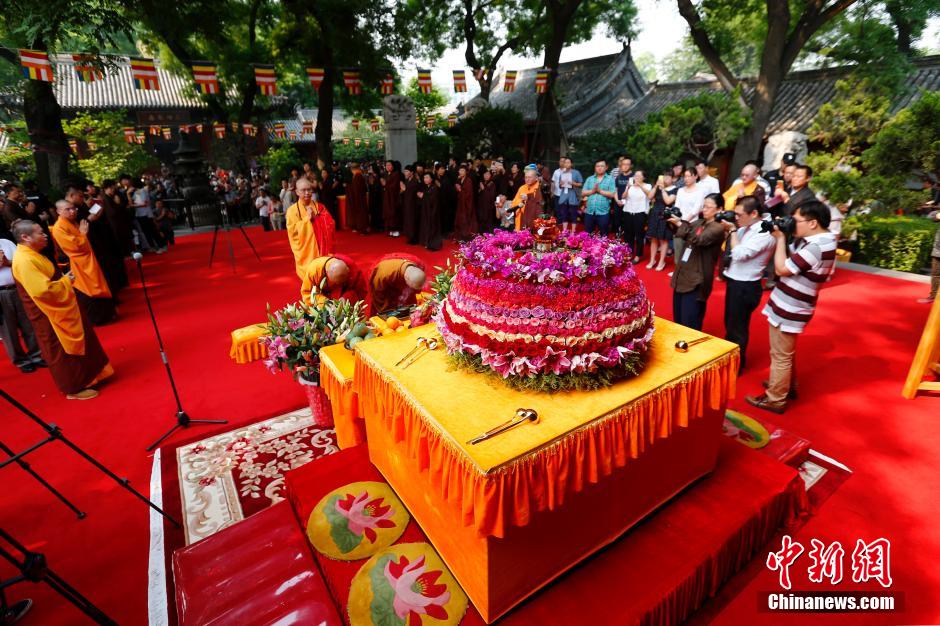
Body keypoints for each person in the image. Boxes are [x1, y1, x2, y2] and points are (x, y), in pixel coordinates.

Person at [745, 201, 837, 414]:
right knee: (785, 352)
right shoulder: (825, 240)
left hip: (791, 306)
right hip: (796, 303)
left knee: (780, 355)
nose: (793, 224)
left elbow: (781, 268)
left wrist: (779, 239)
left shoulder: (816, 247)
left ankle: (776, 399)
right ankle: (785, 386)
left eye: (796, 220)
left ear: (813, 222)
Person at [11, 220, 113, 399]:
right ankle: (74, 388)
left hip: (58, 306)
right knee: (60, 349)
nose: (45, 236)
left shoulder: (31, 253)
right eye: (39, 233)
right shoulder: (24, 260)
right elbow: (42, 290)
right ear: (25, 237)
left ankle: (92, 376)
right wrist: (66, 281)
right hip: (48, 313)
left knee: (79, 342)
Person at [721, 195, 775, 371]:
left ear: (753, 213)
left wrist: (733, 231)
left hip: (746, 286)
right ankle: (728, 362)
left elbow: (739, 254)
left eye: (739, 215)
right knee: (730, 324)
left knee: (738, 329)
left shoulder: (765, 232)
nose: (736, 218)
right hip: (735, 281)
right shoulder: (747, 225)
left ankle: (735, 368)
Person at [50, 200, 116, 325]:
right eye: (68, 209)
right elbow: (74, 247)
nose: (72, 211)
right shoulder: (59, 228)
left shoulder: (72, 222)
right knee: (87, 290)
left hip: (88, 260)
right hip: (79, 263)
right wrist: (83, 234)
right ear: (58, 211)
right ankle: (98, 318)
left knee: (98, 285)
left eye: (73, 208)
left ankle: (107, 314)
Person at [667, 193, 725, 330]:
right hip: (682, 276)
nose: (704, 209)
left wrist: (680, 224)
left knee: (690, 324)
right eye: (704, 206)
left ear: (719, 209)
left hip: (697, 280)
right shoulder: (699, 223)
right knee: (678, 320)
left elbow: (699, 239)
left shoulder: (718, 228)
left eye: (708, 207)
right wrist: (673, 221)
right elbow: (682, 232)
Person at [67, 185, 127, 294]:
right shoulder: (68, 216)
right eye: (68, 210)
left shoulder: (80, 206)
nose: (72, 212)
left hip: (96, 238)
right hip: (85, 245)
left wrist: (95, 208)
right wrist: (90, 216)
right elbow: (86, 221)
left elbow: (93, 217)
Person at [0, 236, 44, 373]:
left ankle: (36, 355)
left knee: (28, 323)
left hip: (17, 287)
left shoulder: (5, 242)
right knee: (8, 330)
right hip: (0, 293)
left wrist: (7, 262)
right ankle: (21, 360)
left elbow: (20, 262)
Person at [286, 177, 336, 280]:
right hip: (306, 253)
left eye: (309, 189)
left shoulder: (320, 207)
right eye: (303, 190)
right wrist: (307, 220)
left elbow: (331, 224)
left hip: (322, 250)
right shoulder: (292, 211)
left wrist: (317, 219)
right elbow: (292, 232)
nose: (307, 193)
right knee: (310, 281)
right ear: (297, 192)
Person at [670, 168, 706, 267]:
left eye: (689, 176)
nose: (686, 178)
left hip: (693, 224)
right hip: (679, 222)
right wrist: (677, 219)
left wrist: (684, 222)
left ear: (695, 176)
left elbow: (697, 208)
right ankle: (677, 269)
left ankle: (686, 270)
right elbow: (677, 206)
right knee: (678, 246)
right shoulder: (681, 190)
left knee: (689, 248)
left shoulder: (700, 191)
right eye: (685, 176)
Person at [299, 254, 368, 305]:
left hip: (343, 304)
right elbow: (307, 292)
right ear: (327, 272)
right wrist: (325, 302)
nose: (338, 285)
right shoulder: (314, 270)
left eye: (341, 283)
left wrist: (346, 298)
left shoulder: (351, 267)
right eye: (336, 283)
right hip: (322, 304)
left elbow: (360, 291)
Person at [618, 170, 654, 263]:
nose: (636, 177)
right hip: (628, 212)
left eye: (638, 176)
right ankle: (629, 253)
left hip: (640, 213)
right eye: (635, 175)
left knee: (639, 235)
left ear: (643, 177)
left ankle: (638, 255)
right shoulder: (630, 185)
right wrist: (628, 188)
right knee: (628, 235)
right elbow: (623, 197)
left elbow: (650, 196)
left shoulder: (647, 186)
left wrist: (640, 185)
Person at [647, 171, 677, 271]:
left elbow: (668, 201)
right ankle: (652, 260)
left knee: (664, 239)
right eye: (664, 177)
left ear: (673, 179)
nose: (665, 179)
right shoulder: (658, 187)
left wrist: (663, 189)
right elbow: (649, 197)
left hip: (665, 215)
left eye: (668, 177)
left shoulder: (675, 189)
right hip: (655, 214)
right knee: (654, 238)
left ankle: (661, 261)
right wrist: (656, 186)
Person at [580, 160, 617, 236]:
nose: (599, 168)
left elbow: (612, 194)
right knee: (588, 236)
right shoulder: (590, 179)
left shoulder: (610, 179)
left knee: (603, 236)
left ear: (606, 167)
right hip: (589, 212)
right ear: (595, 167)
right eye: (597, 166)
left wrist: (600, 191)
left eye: (602, 166)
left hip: (603, 212)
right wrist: (593, 191)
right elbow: (583, 193)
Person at [101, 179, 134, 257]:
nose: (113, 190)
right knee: (121, 240)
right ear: (106, 188)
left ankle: (128, 253)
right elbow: (113, 213)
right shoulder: (105, 198)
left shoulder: (112, 196)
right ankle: (126, 254)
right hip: (115, 224)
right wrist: (118, 204)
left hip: (120, 222)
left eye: (114, 188)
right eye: (111, 188)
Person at [506, 164, 543, 232]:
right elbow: (515, 201)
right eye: (526, 177)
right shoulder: (522, 188)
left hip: (532, 219)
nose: (527, 179)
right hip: (520, 217)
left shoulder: (539, 188)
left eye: (530, 177)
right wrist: (511, 209)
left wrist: (528, 199)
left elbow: (539, 204)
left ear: (536, 178)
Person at [554, 157, 583, 234]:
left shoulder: (576, 173)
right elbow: (560, 186)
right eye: (565, 162)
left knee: (573, 214)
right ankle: (564, 231)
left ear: (571, 164)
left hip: (573, 195)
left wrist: (574, 183)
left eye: (568, 162)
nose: (566, 164)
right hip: (564, 195)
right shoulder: (562, 173)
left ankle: (573, 231)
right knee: (564, 214)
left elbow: (580, 184)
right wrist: (560, 184)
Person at [918, 208, 940, 304]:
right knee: (935, 274)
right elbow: (931, 216)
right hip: (938, 250)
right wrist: (937, 215)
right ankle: (933, 296)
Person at [418, 172, 443, 251]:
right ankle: (427, 242)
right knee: (427, 226)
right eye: (424, 178)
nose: (425, 179)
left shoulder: (434, 188)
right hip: (427, 211)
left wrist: (423, 196)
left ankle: (433, 244)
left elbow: (433, 201)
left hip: (433, 211)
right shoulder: (427, 188)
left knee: (432, 227)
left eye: (427, 177)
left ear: (431, 179)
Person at [613, 157, 636, 238]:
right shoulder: (618, 177)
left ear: (631, 166)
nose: (625, 166)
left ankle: (628, 241)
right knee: (617, 223)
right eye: (623, 164)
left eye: (627, 164)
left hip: (630, 204)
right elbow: (615, 190)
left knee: (628, 224)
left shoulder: (634, 177)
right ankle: (617, 240)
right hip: (618, 203)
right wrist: (617, 200)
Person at [454, 164, 478, 241]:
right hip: (461, 204)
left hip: (467, 204)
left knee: (466, 220)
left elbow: (468, 194)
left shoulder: (468, 181)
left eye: (462, 170)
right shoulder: (460, 179)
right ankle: (460, 236)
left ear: (466, 172)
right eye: (459, 170)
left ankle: (466, 237)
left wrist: (460, 190)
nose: (460, 172)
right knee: (460, 220)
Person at [400, 164, 422, 244]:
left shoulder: (415, 181)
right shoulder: (407, 180)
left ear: (411, 172)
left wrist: (405, 189)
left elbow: (412, 192)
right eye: (405, 171)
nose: (405, 173)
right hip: (407, 204)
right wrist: (403, 190)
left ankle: (414, 239)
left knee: (412, 221)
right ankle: (410, 237)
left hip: (413, 205)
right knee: (408, 220)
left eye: (406, 171)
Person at [346, 164, 370, 233]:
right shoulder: (358, 175)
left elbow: (356, 189)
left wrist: (348, 187)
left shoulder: (358, 176)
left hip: (358, 199)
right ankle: (361, 227)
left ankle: (363, 228)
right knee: (361, 213)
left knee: (361, 213)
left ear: (353, 169)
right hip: (360, 198)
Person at [383, 160, 403, 237]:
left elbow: (394, 187)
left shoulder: (396, 174)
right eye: (386, 165)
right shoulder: (387, 174)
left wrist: (385, 185)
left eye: (389, 165)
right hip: (387, 197)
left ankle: (396, 230)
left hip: (393, 197)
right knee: (388, 213)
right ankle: (390, 229)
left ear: (393, 166)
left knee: (393, 213)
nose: (387, 167)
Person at [477, 169, 498, 234]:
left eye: (488, 174)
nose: (486, 176)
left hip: (488, 207)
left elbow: (491, 196)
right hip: (481, 206)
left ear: (490, 176)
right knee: (481, 220)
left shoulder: (492, 184)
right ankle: (481, 236)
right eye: (485, 174)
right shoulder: (482, 183)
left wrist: (483, 189)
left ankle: (488, 237)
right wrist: (480, 190)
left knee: (488, 222)